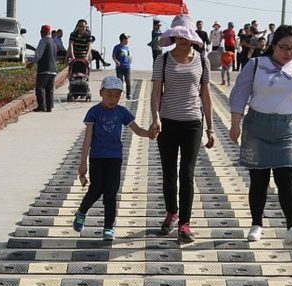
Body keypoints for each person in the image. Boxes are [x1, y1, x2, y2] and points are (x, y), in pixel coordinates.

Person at [229, 25, 292, 246]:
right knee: (259, 179)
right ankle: (256, 225)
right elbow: (239, 95)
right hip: (257, 126)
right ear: (273, 45)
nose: (288, 52)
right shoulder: (255, 65)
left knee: (287, 178)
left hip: (287, 128)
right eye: (283, 47)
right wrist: (235, 124)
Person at [149, 14, 215, 243]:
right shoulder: (163, 60)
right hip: (167, 122)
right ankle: (171, 212)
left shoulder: (202, 61)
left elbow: (206, 95)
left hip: (192, 124)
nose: (184, 40)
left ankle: (185, 224)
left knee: (186, 173)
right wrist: (155, 117)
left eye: (187, 36)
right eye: (179, 36)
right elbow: (156, 91)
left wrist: (210, 128)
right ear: (173, 36)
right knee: (168, 172)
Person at [73, 76, 151, 240]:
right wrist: (83, 164)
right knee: (95, 190)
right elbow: (87, 139)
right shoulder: (94, 112)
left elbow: (137, 130)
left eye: (116, 95)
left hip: (115, 158)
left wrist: (149, 134)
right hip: (97, 157)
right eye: (109, 95)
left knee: (110, 194)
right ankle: (81, 212)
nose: (113, 99)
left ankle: (108, 228)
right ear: (101, 93)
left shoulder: (121, 112)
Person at [28, 24, 57, 112]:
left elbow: (38, 55)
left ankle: (42, 106)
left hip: (44, 69)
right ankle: (49, 107)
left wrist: (31, 63)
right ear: (49, 33)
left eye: (41, 32)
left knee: (40, 88)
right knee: (49, 89)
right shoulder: (53, 43)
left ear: (42, 32)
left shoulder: (43, 41)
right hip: (53, 70)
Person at [112, 33, 133, 100]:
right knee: (120, 81)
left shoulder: (126, 48)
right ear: (123, 39)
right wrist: (116, 61)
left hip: (127, 67)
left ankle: (128, 94)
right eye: (127, 39)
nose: (128, 41)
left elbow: (129, 56)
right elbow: (113, 56)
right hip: (120, 67)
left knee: (128, 81)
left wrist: (130, 61)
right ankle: (119, 94)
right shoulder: (117, 47)